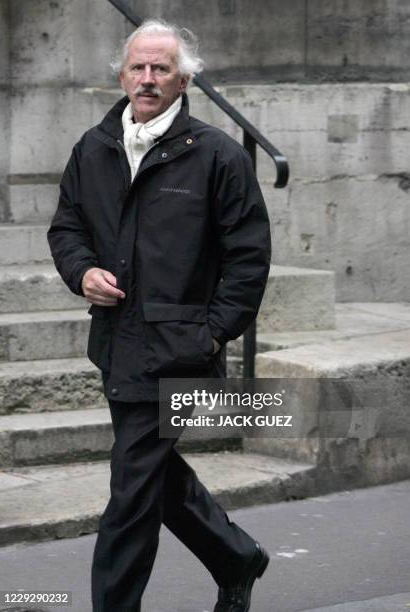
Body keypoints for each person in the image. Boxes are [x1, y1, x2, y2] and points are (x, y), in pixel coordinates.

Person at [47, 18, 271, 612]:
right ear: (121, 74)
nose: (147, 79)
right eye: (138, 68)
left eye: (161, 69)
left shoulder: (218, 156)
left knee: (131, 491)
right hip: (118, 342)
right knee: (150, 474)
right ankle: (236, 557)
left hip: (180, 351)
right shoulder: (94, 148)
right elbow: (67, 225)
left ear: (183, 79)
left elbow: (248, 260)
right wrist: (82, 271)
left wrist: (211, 332)